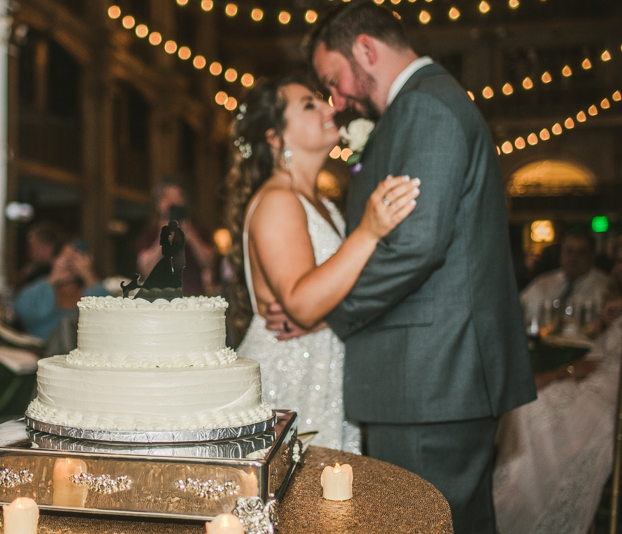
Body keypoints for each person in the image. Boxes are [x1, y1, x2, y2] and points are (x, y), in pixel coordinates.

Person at [258, 3, 536, 532]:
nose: (337, 99)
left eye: (333, 79)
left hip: (430, 377)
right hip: (432, 377)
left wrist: (326, 316)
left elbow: (414, 246)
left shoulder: (423, 108)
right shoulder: (423, 104)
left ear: (366, 49)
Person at [227, 77, 419, 454]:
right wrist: (368, 232)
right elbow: (299, 302)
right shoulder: (278, 200)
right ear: (275, 138)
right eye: (309, 106)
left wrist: (331, 318)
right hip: (292, 372)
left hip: (322, 365)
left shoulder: (321, 203)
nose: (330, 108)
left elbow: (334, 288)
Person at [493, 315, 622, 534]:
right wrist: (558, 374)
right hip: (591, 385)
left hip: (613, 402)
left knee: (555, 418)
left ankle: (529, 504)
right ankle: (517, 495)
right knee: (530, 404)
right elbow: (591, 362)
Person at [14, 238, 109, 341]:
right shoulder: (40, 290)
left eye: (76, 259)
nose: (71, 264)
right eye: (66, 259)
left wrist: (89, 276)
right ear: (54, 259)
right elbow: (22, 312)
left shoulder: (93, 291)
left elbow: (108, 317)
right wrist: (52, 279)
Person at [137, 177, 215, 296]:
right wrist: (162, 239)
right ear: (158, 203)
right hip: (159, 300)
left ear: (185, 202)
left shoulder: (199, 230)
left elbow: (211, 263)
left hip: (193, 300)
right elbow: (145, 269)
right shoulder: (150, 233)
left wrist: (192, 237)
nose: (172, 202)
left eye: (177, 197)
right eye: (166, 197)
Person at [521, 228, 609, 330]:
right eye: (569, 251)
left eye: (580, 252)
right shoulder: (542, 283)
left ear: (592, 255)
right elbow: (521, 308)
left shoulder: (605, 287)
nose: (573, 258)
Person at [16, 221, 66, 290]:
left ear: (46, 247)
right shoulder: (34, 271)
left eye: (32, 247)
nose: (29, 252)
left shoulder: (63, 272)